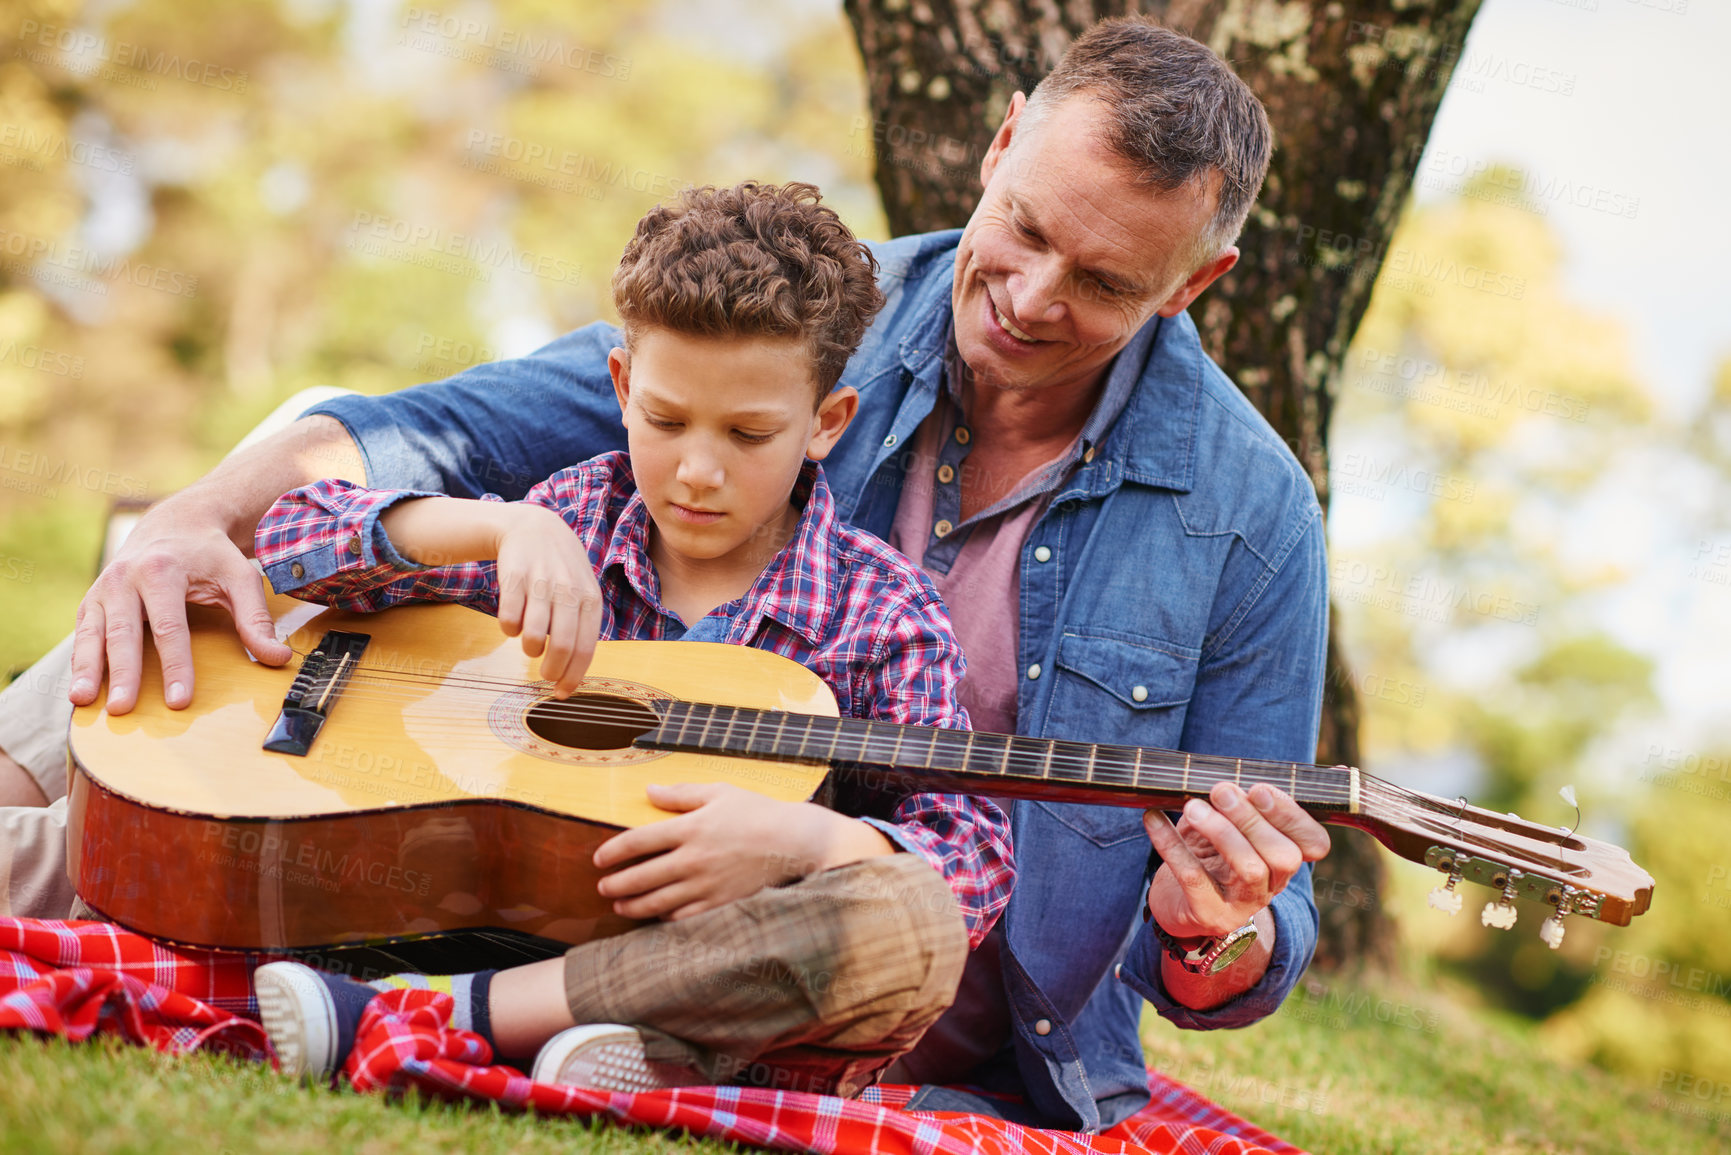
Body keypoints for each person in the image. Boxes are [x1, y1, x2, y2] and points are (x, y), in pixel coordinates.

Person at [2, 18, 1330, 1132]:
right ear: (997, 147)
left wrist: (1215, 922)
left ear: (1191, 283)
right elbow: (424, 432)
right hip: (528, 854)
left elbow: (1226, 942)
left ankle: (479, 1018)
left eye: (1099, 280)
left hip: (866, 971)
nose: (1031, 296)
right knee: (265, 489)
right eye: (1024, 227)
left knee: (898, 907)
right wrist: (207, 515)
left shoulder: (1248, 516)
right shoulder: (786, 324)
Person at [253, 180, 1015, 1092]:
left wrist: (807, 843)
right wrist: (493, 529)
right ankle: (615, 1058)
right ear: (621, 386)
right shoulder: (566, 520)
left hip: (718, 970)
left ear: (825, 424)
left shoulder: (882, 610)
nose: (697, 470)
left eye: (747, 433)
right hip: (487, 914)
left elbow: (970, 857)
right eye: (664, 420)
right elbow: (291, 539)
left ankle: (443, 1017)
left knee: (912, 925)